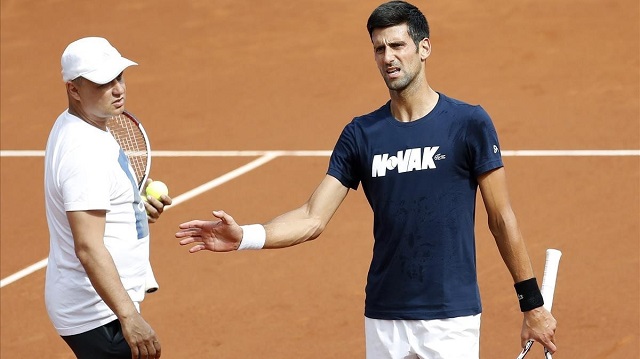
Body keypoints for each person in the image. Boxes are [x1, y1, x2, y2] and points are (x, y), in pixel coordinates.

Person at [174, 1, 557, 358]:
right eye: (379, 49)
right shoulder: (361, 134)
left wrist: (532, 304)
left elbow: (501, 218)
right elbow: (312, 216)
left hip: (449, 316)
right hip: (384, 314)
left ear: (424, 48)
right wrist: (246, 237)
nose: (388, 58)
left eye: (397, 45)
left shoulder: (468, 123)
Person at [44, 37, 171, 359]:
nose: (118, 89)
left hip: (100, 305)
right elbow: (87, 246)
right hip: (97, 313)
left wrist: (133, 210)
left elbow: (97, 204)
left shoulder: (84, 126)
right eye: (103, 82)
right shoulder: (84, 152)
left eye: (119, 77)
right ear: (74, 89)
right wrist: (129, 316)